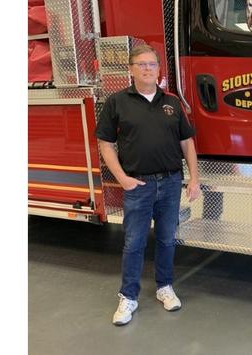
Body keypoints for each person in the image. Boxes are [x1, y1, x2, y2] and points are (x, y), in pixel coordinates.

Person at [95, 44, 201, 326]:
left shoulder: (172, 103)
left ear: (158, 70)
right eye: (141, 64)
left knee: (167, 239)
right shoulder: (117, 102)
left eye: (152, 64)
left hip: (170, 184)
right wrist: (122, 178)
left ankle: (164, 288)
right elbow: (105, 143)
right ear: (131, 70)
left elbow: (187, 142)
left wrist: (194, 178)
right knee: (134, 243)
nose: (147, 68)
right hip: (137, 186)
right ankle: (128, 296)